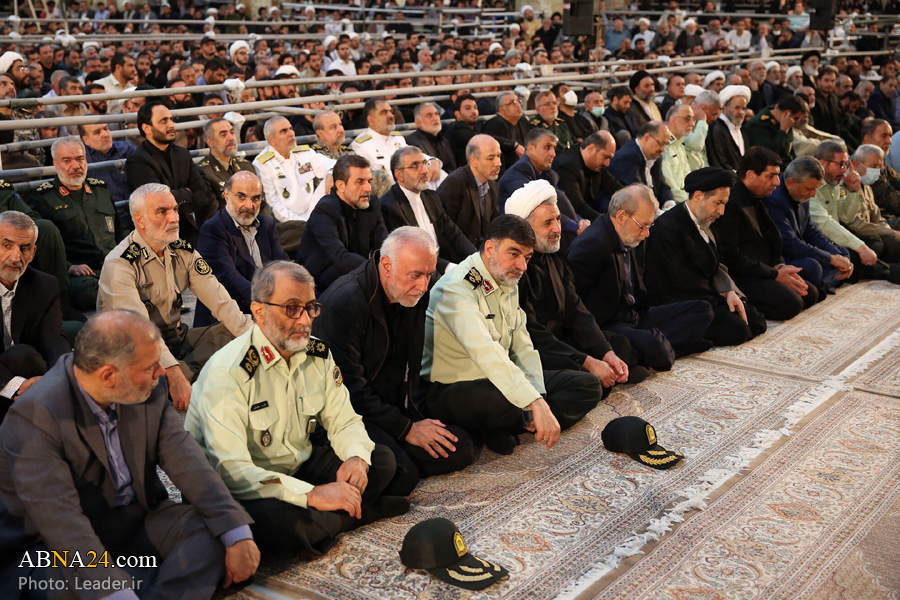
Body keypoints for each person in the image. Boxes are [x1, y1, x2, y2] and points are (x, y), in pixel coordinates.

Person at [0, 310, 259, 599]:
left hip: (134, 523)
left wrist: (236, 532)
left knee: (218, 534)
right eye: (150, 367)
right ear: (109, 375)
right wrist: (113, 589)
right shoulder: (36, 415)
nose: (161, 373)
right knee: (64, 587)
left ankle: (145, 585)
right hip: (54, 547)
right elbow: (60, 520)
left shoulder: (149, 389)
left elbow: (188, 460)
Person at [185, 262, 409, 557]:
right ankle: (358, 514)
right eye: (292, 308)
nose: (305, 320)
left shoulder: (317, 354)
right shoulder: (228, 372)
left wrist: (355, 458)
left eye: (310, 307)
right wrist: (311, 495)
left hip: (293, 466)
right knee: (275, 524)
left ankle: (322, 522)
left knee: (381, 461)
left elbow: (344, 420)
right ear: (259, 311)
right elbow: (232, 471)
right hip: (239, 486)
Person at [420, 214, 602, 456]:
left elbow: (523, 346)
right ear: (490, 248)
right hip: (454, 387)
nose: (522, 266)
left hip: (499, 376)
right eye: (514, 254)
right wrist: (533, 403)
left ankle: (516, 424)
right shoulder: (457, 288)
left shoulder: (506, 277)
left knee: (588, 385)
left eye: (527, 258)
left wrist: (538, 396)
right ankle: (509, 423)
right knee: (505, 400)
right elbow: (487, 353)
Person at [314, 228, 477, 490]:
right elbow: (349, 391)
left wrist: (412, 421)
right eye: (416, 275)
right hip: (353, 414)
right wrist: (406, 429)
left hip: (395, 405)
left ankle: (397, 458)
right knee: (402, 474)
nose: (424, 286)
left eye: (429, 275)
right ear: (387, 266)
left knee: (462, 446)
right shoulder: (344, 303)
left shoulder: (413, 293)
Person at [98, 183, 253, 411]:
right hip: (135, 351)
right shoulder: (120, 264)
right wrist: (173, 372)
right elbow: (139, 332)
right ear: (140, 220)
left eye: (175, 209)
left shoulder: (182, 251)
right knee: (151, 380)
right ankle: (194, 377)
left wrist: (259, 341)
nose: (174, 218)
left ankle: (193, 377)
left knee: (241, 334)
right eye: (162, 212)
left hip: (176, 340)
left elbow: (220, 301)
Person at [506, 180, 643, 388]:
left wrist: (606, 353)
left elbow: (576, 310)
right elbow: (532, 333)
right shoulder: (516, 268)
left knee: (619, 346)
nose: (557, 228)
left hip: (563, 340)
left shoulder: (555, 257)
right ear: (525, 228)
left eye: (558, 219)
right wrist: (588, 362)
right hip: (538, 348)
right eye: (547, 223)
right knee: (586, 380)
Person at [568, 185, 715, 370]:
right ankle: (661, 346)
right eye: (643, 226)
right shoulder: (591, 245)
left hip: (636, 314)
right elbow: (577, 307)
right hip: (611, 324)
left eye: (649, 226)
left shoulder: (632, 236)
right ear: (621, 216)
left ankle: (655, 347)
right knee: (656, 346)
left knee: (702, 310)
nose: (647, 233)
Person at [646, 168, 767, 347]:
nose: (721, 211)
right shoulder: (668, 228)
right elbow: (679, 284)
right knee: (738, 328)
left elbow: (716, 263)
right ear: (698, 196)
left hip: (707, 295)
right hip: (683, 302)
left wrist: (729, 291)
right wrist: (719, 300)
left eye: (724, 204)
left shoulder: (705, 219)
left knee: (756, 319)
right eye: (718, 203)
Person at [715, 147, 822, 321]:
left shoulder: (760, 195)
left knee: (811, 293)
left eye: (777, 175)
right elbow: (731, 257)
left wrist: (779, 266)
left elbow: (772, 236)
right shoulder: (730, 202)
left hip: (765, 268)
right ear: (751, 175)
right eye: (771, 176)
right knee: (792, 303)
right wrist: (774, 274)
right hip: (743, 275)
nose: (777, 182)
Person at [30, 137, 122, 312]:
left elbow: (120, 232)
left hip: (113, 266)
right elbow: (43, 250)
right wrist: (69, 267)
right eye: (67, 161)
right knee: (86, 292)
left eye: (80, 159)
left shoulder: (101, 191)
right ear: (56, 165)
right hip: (81, 275)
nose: (75, 166)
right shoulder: (44, 199)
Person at [195, 172, 290, 327]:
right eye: (241, 197)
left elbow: (282, 263)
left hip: (266, 308)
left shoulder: (266, 225)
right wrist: (269, 302)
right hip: (229, 318)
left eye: (255, 198)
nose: (249, 205)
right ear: (227, 196)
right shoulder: (213, 229)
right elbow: (228, 278)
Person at [0, 211, 70, 422]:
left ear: (33, 253)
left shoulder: (44, 285)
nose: (16, 258)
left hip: (30, 376)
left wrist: (57, 380)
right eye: (6, 245)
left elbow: (54, 341)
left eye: (24, 248)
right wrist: (16, 385)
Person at [125, 101, 216, 246]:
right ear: (147, 128)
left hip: (190, 231)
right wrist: (187, 194)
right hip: (159, 238)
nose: (171, 125)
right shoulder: (137, 161)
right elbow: (158, 204)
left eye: (171, 119)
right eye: (163, 121)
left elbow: (203, 195)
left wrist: (176, 197)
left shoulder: (182, 153)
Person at [297, 154, 389, 291]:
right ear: (340, 185)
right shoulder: (325, 210)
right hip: (319, 286)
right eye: (360, 182)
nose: (368, 188)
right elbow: (340, 257)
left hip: (355, 277)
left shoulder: (372, 203)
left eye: (369, 181)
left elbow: (382, 245)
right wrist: (378, 270)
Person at [380, 146, 476, 274]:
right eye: (415, 166)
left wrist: (476, 257)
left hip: (444, 262)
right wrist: (450, 268)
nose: (425, 171)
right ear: (399, 175)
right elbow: (414, 254)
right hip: (419, 272)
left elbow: (454, 234)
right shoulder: (389, 207)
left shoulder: (431, 197)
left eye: (425, 163)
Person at [765, 156, 854, 291]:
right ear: (791, 183)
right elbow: (791, 245)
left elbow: (810, 231)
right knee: (813, 266)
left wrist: (836, 256)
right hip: (782, 259)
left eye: (815, 189)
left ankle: (822, 284)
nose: (813, 194)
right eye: (809, 189)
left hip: (800, 250)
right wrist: (831, 259)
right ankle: (825, 283)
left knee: (843, 252)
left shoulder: (802, 193)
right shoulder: (774, 200)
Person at [809, 141, 888, 280]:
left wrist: (853, 190)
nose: (844, 170)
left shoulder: (835, 184)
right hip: (817, 243)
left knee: (874, 242)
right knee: (860, 256)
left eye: (846, 165)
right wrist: (861, 248)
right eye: (841, 164)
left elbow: (846, 217)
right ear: (822, 164)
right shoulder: (809, 185)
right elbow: (825, 224)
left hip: (834, 241)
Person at [498, 128, 589, 239]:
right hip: (515, 235)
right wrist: (576, 227)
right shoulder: (517, 173)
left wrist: (580, 221)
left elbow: (560, 206)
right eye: (547, 147)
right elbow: (541, 210)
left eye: (554, 148)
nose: (553, 154)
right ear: (531, 149)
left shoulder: (548, 174)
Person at [252, 115, 336, 235]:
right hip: (288, 224)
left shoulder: (303, 152)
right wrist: (304, 224)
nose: (291, 133)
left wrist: (331, 173)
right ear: (272, 140)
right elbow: (273, 207)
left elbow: (331, 163)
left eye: (291, 128)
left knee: (336, 176)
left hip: (313, 212)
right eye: (284, 131)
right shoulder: (262, 164)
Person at [437, 135, 502, 248]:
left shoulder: (492, 185)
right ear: (474, 161)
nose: (498, 163)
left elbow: (495, 224)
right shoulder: (455, 183)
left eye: (499, 156)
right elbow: (446, 232)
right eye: (490, 158)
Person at [844, 144, 900, 270]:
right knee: (888, 243)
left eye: (880, 166)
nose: (878, 170)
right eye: (874, 166)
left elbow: (877, 218)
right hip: (857, 236)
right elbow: (856, 224)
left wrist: (891, 232)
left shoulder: (867, 184)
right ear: (857, 164)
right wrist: (892, 232)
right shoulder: (844, 187)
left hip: (873, 233)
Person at [552, 131, 622, 221]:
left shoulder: (597, 165)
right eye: (605, 157)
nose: (607, 163)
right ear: (591, 148)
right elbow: (576, 206)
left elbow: (616, 188)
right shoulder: (566, 166)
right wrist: (607, 222)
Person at [604, 121, 674, 211]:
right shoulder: (627, 157)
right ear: (647, 138)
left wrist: (669, 203)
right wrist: (661, 215)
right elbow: (639, 197)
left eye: (665, 144)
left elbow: (662, 185)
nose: (663, 149)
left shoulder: (655, 156)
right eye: (661, 143)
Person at [198, 117, 256, 210]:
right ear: (210, 142)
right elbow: (212, 213)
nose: (231, 138)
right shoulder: (203, 172)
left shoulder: (246, 166)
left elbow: (261, 203)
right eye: (223, 135)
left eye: (232, 133)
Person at [351, 99, 409, 182]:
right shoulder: (361, 146)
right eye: (384, 112)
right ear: (371, 120)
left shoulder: (398, 138)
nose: (391, 115)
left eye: (391, 111)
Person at [79, 121, 134, 206]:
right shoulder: (82, 162)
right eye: (97, 132)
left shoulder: (126, 148)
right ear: (86, 140)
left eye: (106, 129)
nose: (105, 134)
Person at [745, 95, 809, 167]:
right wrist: (783, 131)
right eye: (796, 118)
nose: (795, 122)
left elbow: (789, 153)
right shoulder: (758, 124)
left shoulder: (786, 122)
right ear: (787, 113)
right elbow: (769, 155)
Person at [481, 91, 530, 174]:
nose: (518, 105)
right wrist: (514, 145)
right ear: (501, 109)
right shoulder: (494, 124)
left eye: (518, 101)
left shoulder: (522, 120)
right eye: (512, 103)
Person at [706, 85, 750, 172]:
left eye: (744, 108)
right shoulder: (716, 128)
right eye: (737, 107)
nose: (741, 112)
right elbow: (719, 161)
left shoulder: (742, 130)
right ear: (725, 108)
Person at [662, 104, 699, 204]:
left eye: (693, 119)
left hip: (685, 198)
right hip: (674, 202)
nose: (692, 124)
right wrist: (692, 201)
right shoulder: (663, 144)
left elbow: (688, 179)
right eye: (687, 119)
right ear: (673, 120)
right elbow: (669, 187)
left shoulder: (679, 143)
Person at [406, 102, 456, 172]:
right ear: (418, 123)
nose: (435, 118)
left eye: (437, 114)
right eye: (429, 115)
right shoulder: (412, 143)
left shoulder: (444, 141)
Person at [447, 93, 481, 170]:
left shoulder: (474, 128)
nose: (473, 111)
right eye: (468, 108)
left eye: (475, 107)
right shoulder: (457, 128)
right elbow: (480, 140)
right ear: (457, 114)